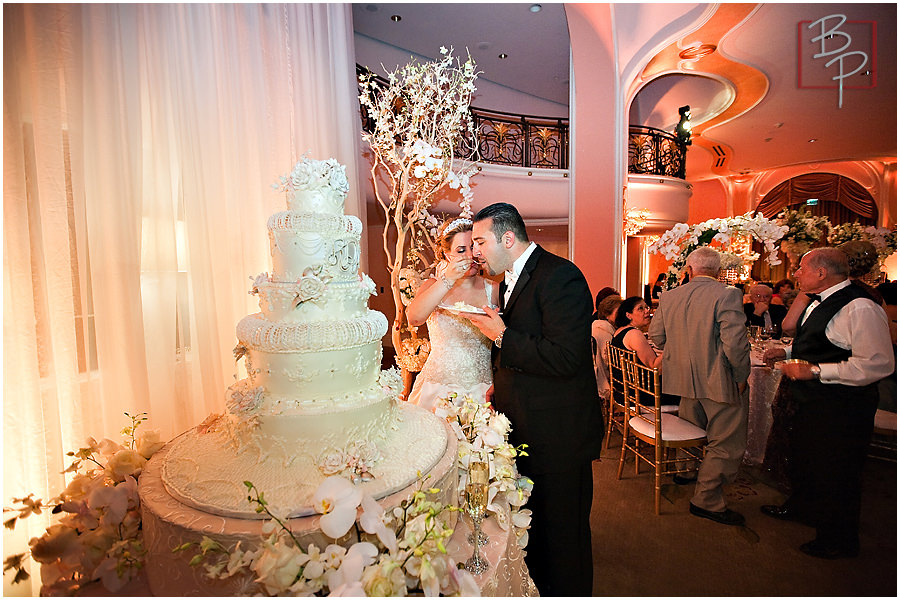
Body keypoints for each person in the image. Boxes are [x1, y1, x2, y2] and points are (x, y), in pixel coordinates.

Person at [465, 202, 602, 596]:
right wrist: (501, 383)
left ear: (508, 238)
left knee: (565, 542)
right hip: (530, 430)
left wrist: (502, 337)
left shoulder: (561, 277)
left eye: (480, 241)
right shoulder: (511, 278)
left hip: (559, 437)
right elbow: (529, 346)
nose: (475, 251)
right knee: (538, 533)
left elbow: (566, 357)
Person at [762, 248, 894, 559]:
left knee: (838, 471)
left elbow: (877, 363)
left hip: (843, 405)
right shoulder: (816, 301)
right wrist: (787, 351)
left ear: (822, 273)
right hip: (813, 401)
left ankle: (839, 539)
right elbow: (823, 340)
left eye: (801, 268)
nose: (795, 274)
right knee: (807, 458)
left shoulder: (861, 307)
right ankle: (804, 509)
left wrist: (816, 370)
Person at [648, 246, 751, 526]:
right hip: (718, 380)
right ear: (717, 272)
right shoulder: (727, 294)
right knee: (725, 443)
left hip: (682, 379)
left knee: (692, 424)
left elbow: (656, 336)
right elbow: (736, 344)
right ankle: (707, 500)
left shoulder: (670, 297)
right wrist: (741, 376)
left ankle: (685, 470)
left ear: (689, 271)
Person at [405, 218, 499, 409]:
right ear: (447, 255)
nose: (470, 255)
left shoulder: (495, 289)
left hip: (482, 390)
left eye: (474, 247)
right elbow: (414, 318)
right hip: (436, 388)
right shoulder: (433, 286)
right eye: (461, 250)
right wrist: (447, 278)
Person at [592, 294, 622, 400]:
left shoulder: (595, 325)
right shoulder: (604, 331)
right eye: (618, 312)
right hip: (604, 380)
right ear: (607, 315)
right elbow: (612, 362)